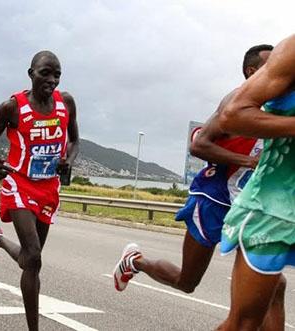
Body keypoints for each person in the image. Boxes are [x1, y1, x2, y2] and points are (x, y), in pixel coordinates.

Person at [113, 43, 285, 329]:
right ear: (252, 71)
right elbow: (199, 144)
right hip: (213, 200)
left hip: (248, 206)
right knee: (187, 281)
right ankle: (135, 261)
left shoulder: (278, 107)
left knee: (275, 284)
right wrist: (247, 161)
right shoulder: (236, 103)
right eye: (272, 66)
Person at [0, 50, 79, 331]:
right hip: (18, 183)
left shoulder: (66, 103)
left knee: (30, 262)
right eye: (45, 73)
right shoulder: (12, 107)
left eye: (57, 74)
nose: (52, 80)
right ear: (31, 73)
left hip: (49, 189)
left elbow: (75, 141)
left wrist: (68, 162)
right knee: (34, 255)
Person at [215, 35, 295, 330]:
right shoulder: (291, 51)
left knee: (276, 294)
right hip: (273, 209)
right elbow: (232, 115)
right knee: (244, 324)